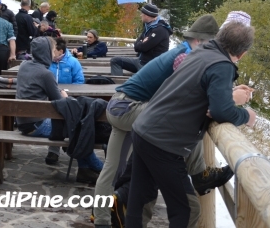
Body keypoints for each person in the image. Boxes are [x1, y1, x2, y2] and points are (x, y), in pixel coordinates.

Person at [92, 15, 221, 228]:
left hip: (118, 105)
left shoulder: (183, 52)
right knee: (187, 119)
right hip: (129, 107)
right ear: (199, 40)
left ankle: (102, 221)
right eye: (211, 44)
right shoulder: (186, 57)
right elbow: (189, 99)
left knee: (110, 169)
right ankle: (199, 175)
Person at [126, 21, 257, 228]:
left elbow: (200, 91)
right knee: (187, 210)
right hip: (163, 143)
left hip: (143, 129)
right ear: (242, 54)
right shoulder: (222, 65)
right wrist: (247, 115)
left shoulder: (202, 51)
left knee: (139, 201)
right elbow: (221, 111)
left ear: (219, 37)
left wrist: (227, 96)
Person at [16, 36, 102, 184]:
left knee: (76, 127)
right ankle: (97, 167)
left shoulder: (24, 65)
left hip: (23, 122)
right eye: (53, 49)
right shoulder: (45, 74)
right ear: (46, 52)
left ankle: (85, 170)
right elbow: (61, 103)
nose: (54, 52)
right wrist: (64, 95)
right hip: (37, 124)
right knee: (79, 128)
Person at [110, 3, 171, 76]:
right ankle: (116, 83)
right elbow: (137, 45)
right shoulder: (148, 26)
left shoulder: (160, 30)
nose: (140, 15)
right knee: (115, 61)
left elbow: (143, 48)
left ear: (147, 15)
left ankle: (126, 84)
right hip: (141, 61)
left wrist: (141, 43)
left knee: (132, 81)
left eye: (142, 14)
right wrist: (141, 42)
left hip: (150, 66)